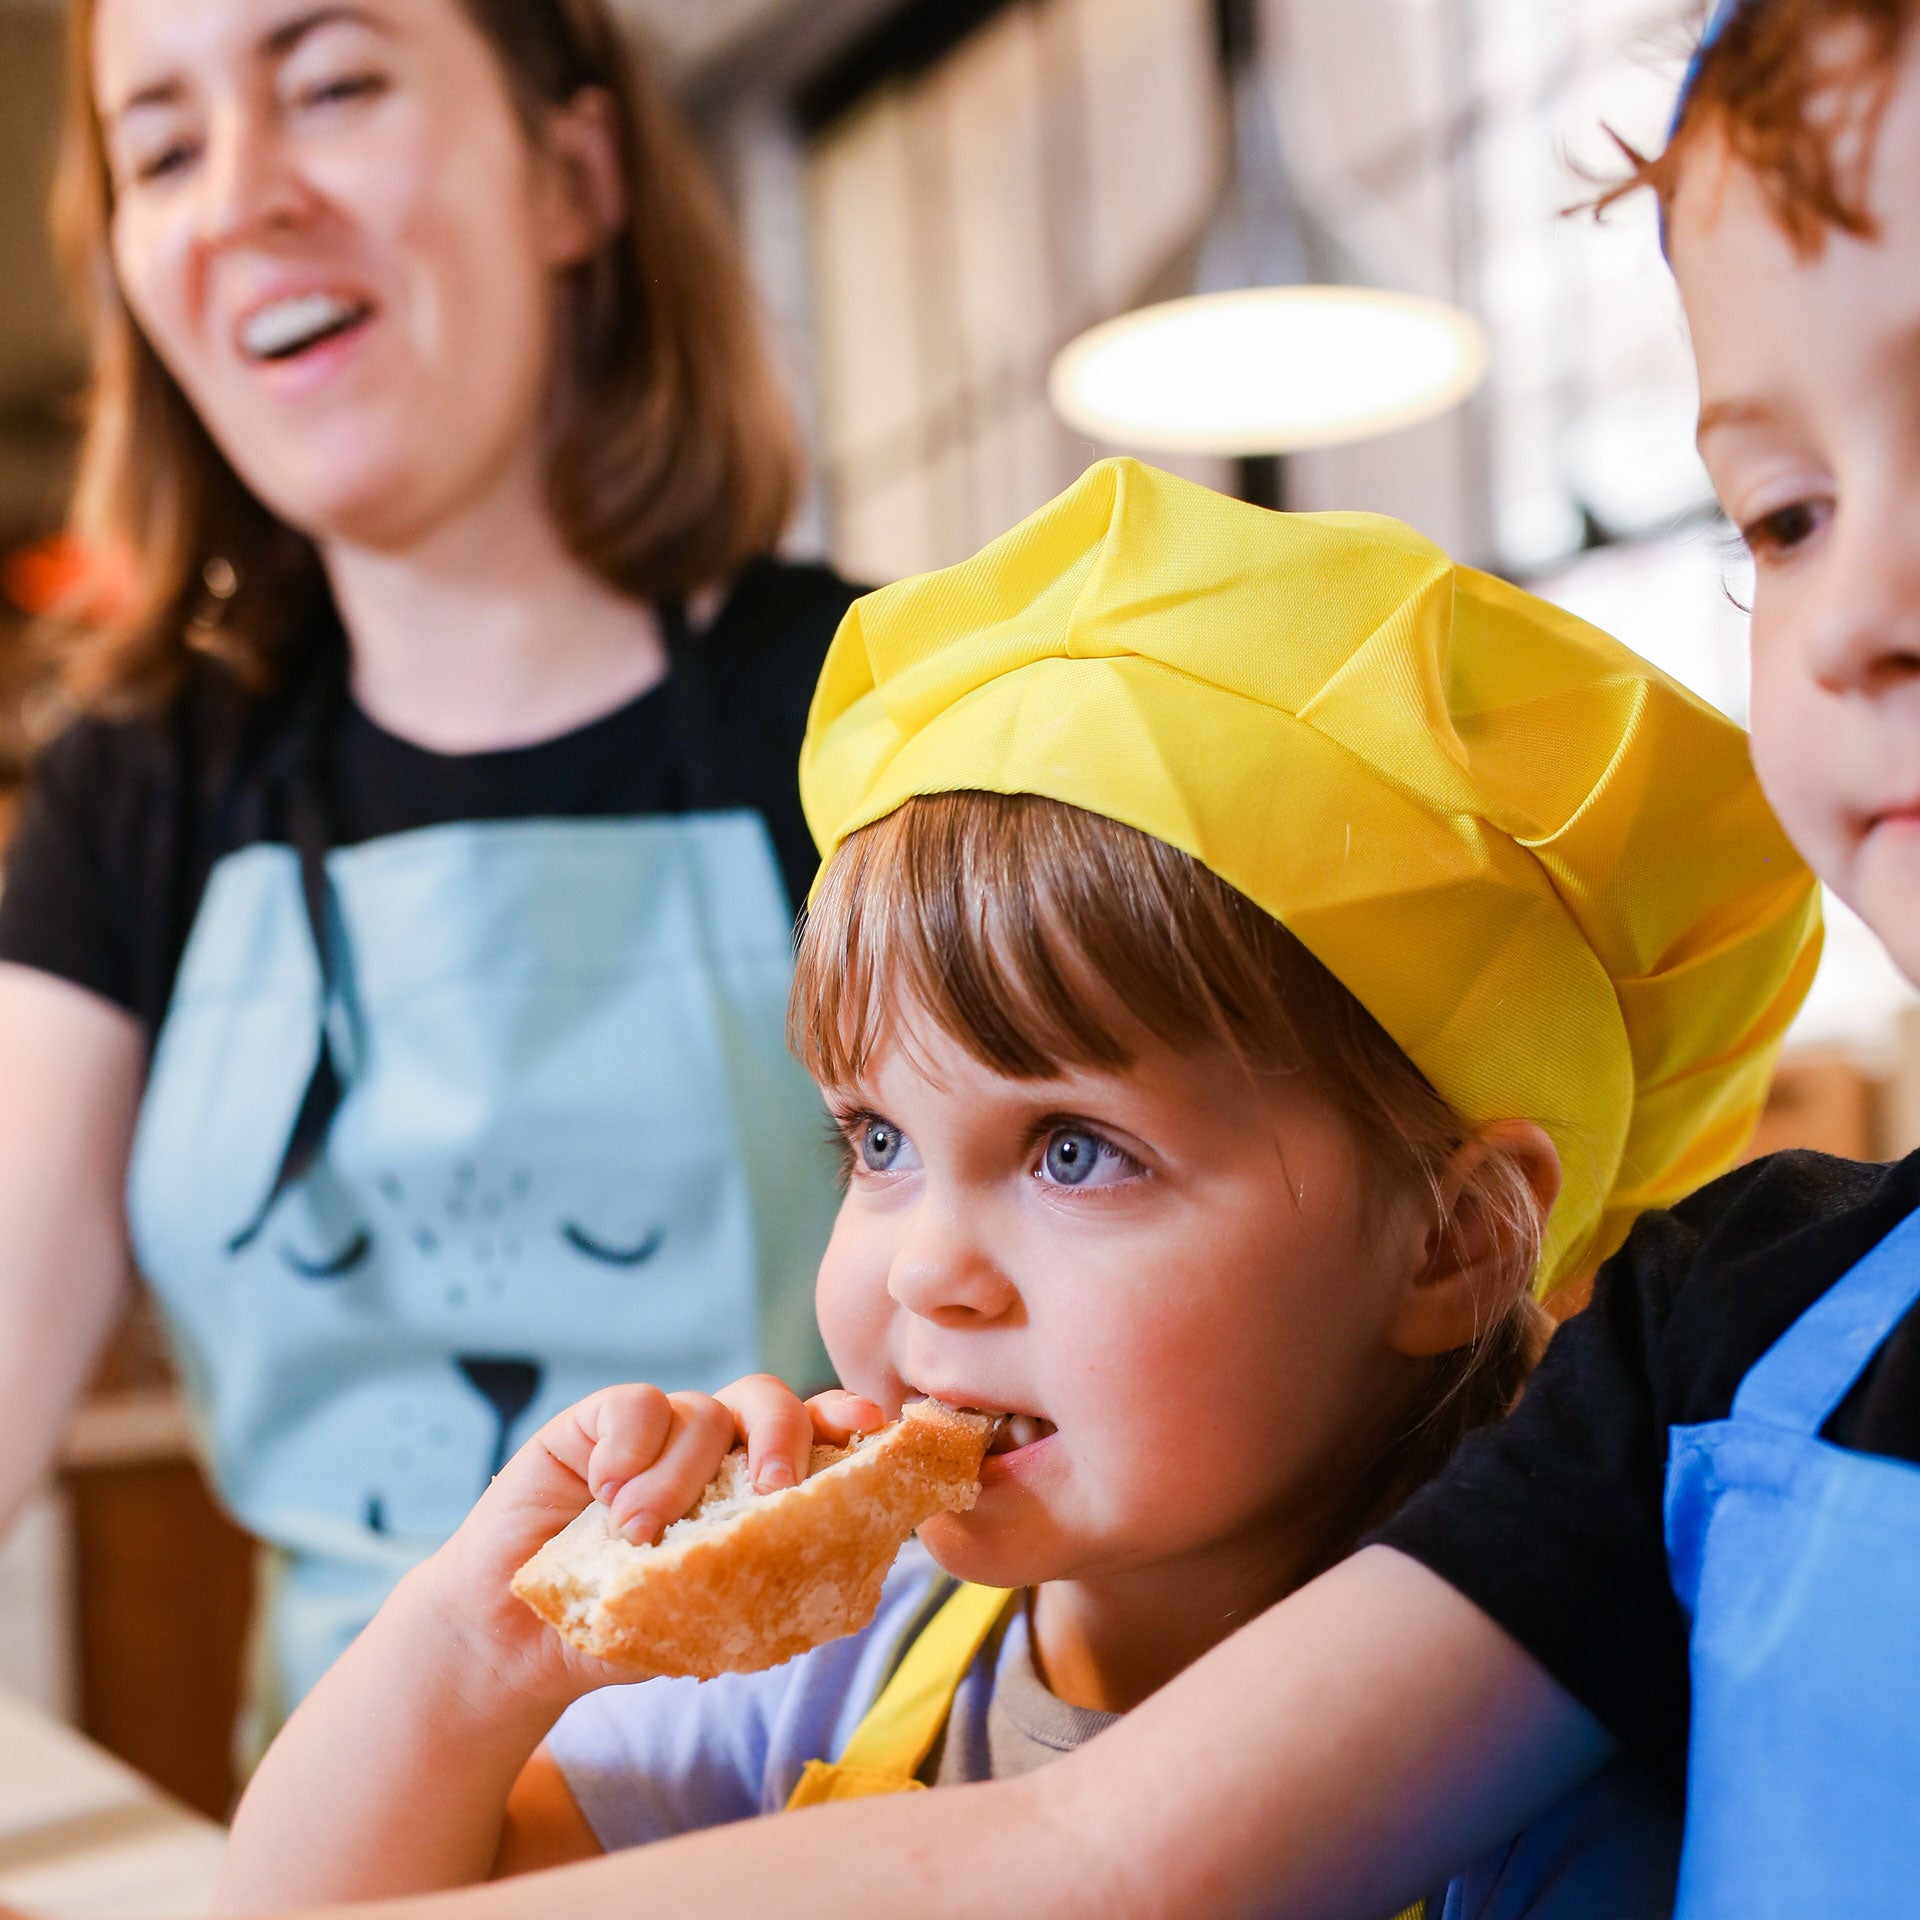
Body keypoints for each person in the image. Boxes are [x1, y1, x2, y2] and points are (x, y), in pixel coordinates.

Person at [209, 457, 1818, 1918]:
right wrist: (479, 1645)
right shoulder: (827, 1678)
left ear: (1452, 1240)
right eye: (876, 1143)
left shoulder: (1561, 1804)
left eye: (1071, 1152)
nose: (923, 1273)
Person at [0, 0, 852, 1723]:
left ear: (572, 174)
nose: (242, 197)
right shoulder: (134, 794)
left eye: (332, 85)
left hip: (840, 1810)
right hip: (339, 1846)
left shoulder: (867, 715)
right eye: (162, 147)